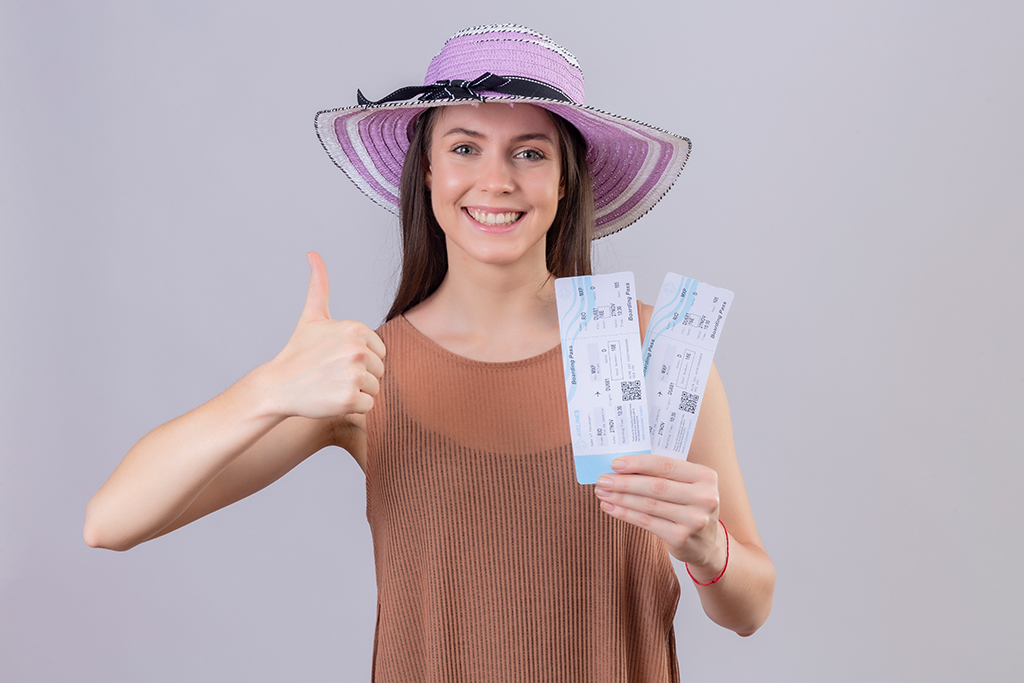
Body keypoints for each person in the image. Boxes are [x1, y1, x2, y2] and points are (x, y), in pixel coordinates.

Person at [85, 24, 774, 681]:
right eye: (465, 148)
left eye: (530, 152)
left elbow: (751, 605)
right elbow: (110, 521)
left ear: (565, 181)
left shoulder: (652, 349)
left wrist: (707, 547)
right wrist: (267, 389)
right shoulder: (365, 374)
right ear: (425, 172)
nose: (496, 180)